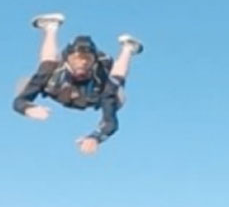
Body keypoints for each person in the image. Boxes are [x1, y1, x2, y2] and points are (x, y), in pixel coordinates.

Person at [12, 13, 144, 155]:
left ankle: (128, 50)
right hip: (59, 92)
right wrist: (28, 109)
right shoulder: (52, 72)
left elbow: (110, 122)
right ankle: (50, 28)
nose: (82, 64)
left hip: (91, 98)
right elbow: (19, 101)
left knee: (116, 87)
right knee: (46, 65)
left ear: (93, 62)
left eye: (87, 60)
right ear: (68, 60)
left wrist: (96, 138)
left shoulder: (104, 84)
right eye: (76, 59)